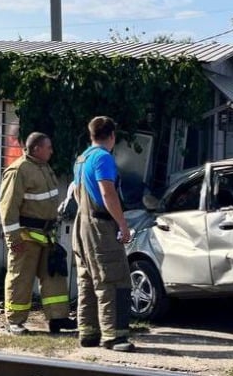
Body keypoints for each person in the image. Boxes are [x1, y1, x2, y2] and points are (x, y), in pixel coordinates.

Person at [0, 132, 77, 335]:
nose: (51, 151)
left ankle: (57, 318)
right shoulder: (18, 171)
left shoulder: (43, 167)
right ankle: (15, 321)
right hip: (25, 236)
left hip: (46, 235)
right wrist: (13, 239)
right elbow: (8, 208)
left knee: (53, 276)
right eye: (48, 147)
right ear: (36, 149)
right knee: (21, 278)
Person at [71, 116, 135, 352]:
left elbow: (78, 193)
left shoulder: (81, 158)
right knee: (113, 279)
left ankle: (88, 334)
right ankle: (114, 337)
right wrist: (122, 224)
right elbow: (107, 193)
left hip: (82, 225)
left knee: (87, 280)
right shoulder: (103, 158)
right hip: (100, 228)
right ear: (112, 136)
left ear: (91, 135)